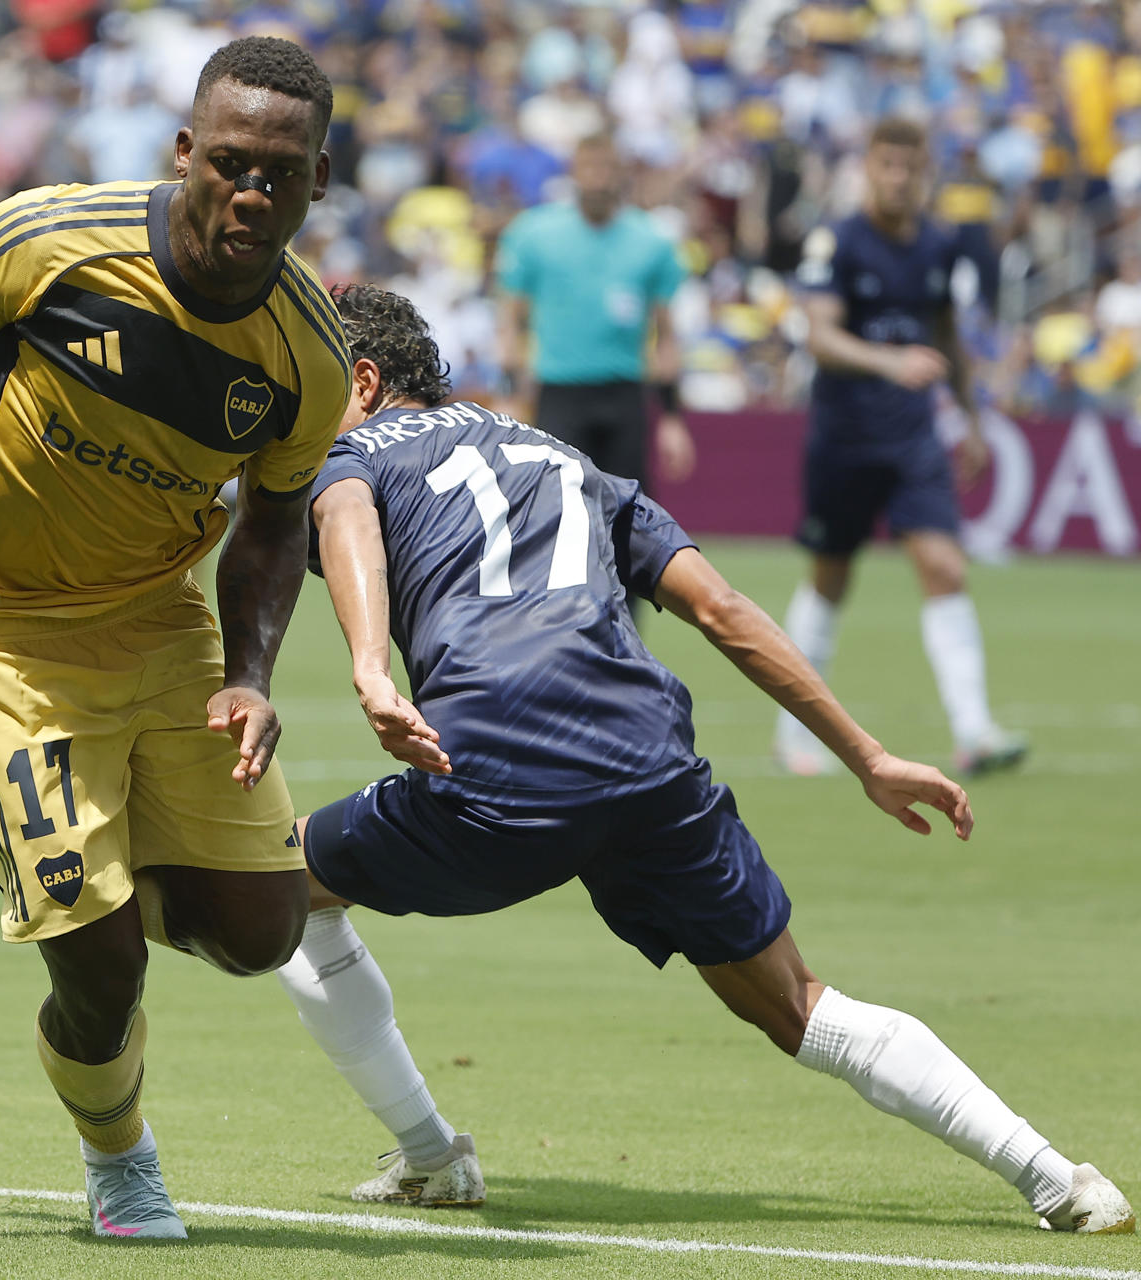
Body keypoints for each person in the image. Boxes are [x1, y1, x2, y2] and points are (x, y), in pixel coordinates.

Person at [271, 283, 1133, 1235]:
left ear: (363, 380)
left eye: (307, 378)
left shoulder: (350, 451)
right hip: (647, 761)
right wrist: (868, 757)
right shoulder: (569, 459)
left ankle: (431, 1156)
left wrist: (367, 665)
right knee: (803, 1009)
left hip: (496, 765)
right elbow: (722, 611)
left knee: (273, 881)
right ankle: (1058, 1178)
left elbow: (345, 512)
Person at [0, 37, 350, 1241]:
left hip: (160, 622)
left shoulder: (307, 356)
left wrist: (251, 674)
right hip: (3, 622)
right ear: (185, 153)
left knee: (261, 930)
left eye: (283, 175)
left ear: (319, 183)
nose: (254, 193)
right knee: (100, 969)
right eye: (234, 164)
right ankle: (120, 1156)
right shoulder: (48, 240)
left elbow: (273, 521)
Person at [780, 116, 1024, 777]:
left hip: (913, 438)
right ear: (868, 167)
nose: (896, 178)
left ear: (924, 172)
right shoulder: (840, 241)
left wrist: (971, 420)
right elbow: (819, 335)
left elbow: (946, 337)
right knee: (830, 577)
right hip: (845, 439)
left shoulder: (939, 247)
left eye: (907, 168)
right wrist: (889, 363)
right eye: (885, 165)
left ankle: (973, 731)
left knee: (945, 566)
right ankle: (794, 729)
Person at [495, 130, 694, 493]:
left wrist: (671, 417)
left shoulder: (651, 241)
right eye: (589, 168)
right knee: (558, 508)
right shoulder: (533, 235)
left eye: (606, 168)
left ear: (621, 173)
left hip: (624, 392)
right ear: (573, 172)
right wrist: (510, 391)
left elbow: (666, 334)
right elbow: (511, 321)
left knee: (627, 512)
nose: (598, 177)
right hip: (559, 390)